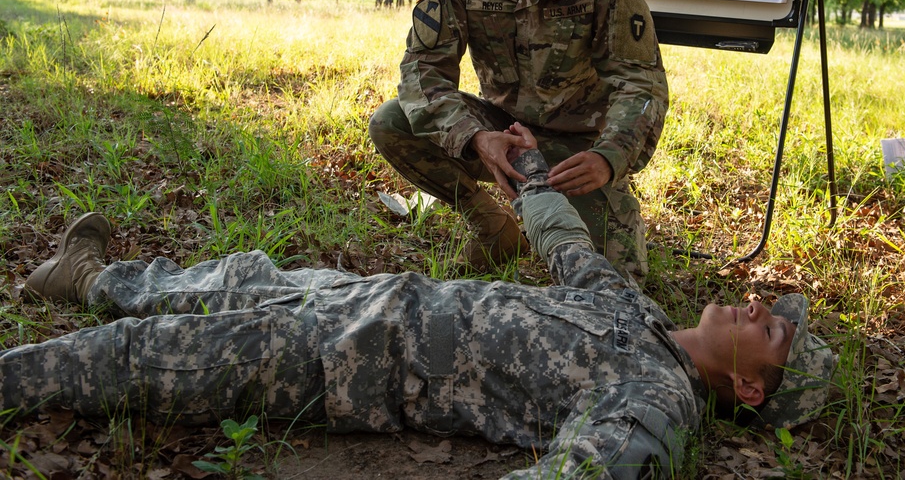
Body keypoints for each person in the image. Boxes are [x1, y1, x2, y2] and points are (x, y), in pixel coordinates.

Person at [4, 136, 834, 479]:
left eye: (772, 331)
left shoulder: (654, 404)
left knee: (145, 358)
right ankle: (86, 278)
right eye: (772, 308)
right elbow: (568, 250)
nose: (760, 306)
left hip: (353, 360)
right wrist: (535, 169)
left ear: (753, 389)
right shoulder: (642, 316)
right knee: (236, 275)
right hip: (378, 300)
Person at [368, 0, 669, 277]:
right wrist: (475, 137)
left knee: (617, 286)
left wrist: (609, 157)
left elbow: (640, 81)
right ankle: (493, 223)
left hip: (578, 150)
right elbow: (421, 72)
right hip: (502, 134)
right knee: (392, 122)